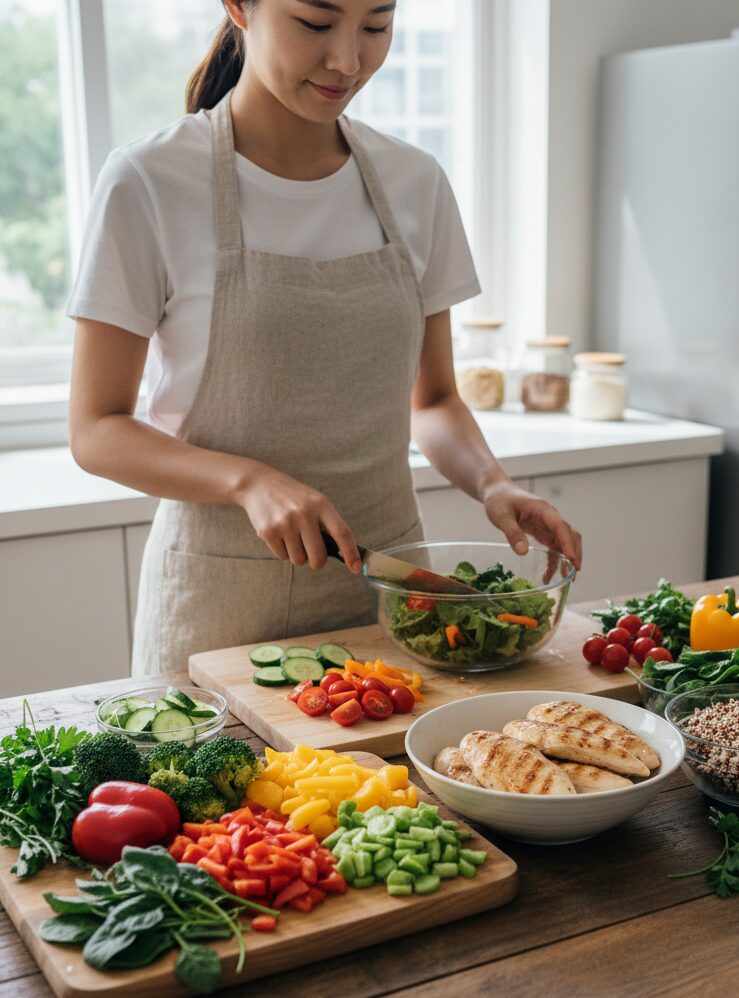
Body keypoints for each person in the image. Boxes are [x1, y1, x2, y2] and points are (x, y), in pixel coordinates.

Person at [67, 0, 582, 674]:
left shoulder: (414, 183)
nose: (348, 60)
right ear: (238, 8)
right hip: (221, 605)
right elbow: (96, 429)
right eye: (316, 23)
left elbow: (430, 400)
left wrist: (493, 485)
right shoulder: (149, 181)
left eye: (376, 26)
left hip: (392, 598)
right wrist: (248, 482)